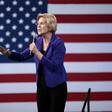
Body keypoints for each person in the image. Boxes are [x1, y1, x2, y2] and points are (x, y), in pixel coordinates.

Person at [0, 13, 68, 112]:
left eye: (42, 23)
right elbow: (22, 56)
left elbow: (54, 66)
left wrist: (37, 52)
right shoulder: (38, 42)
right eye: (37, 24)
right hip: (41, 87)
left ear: (50, 26)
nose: (38, 26)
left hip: (56, 87)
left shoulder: (58, 43)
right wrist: (8, 53)